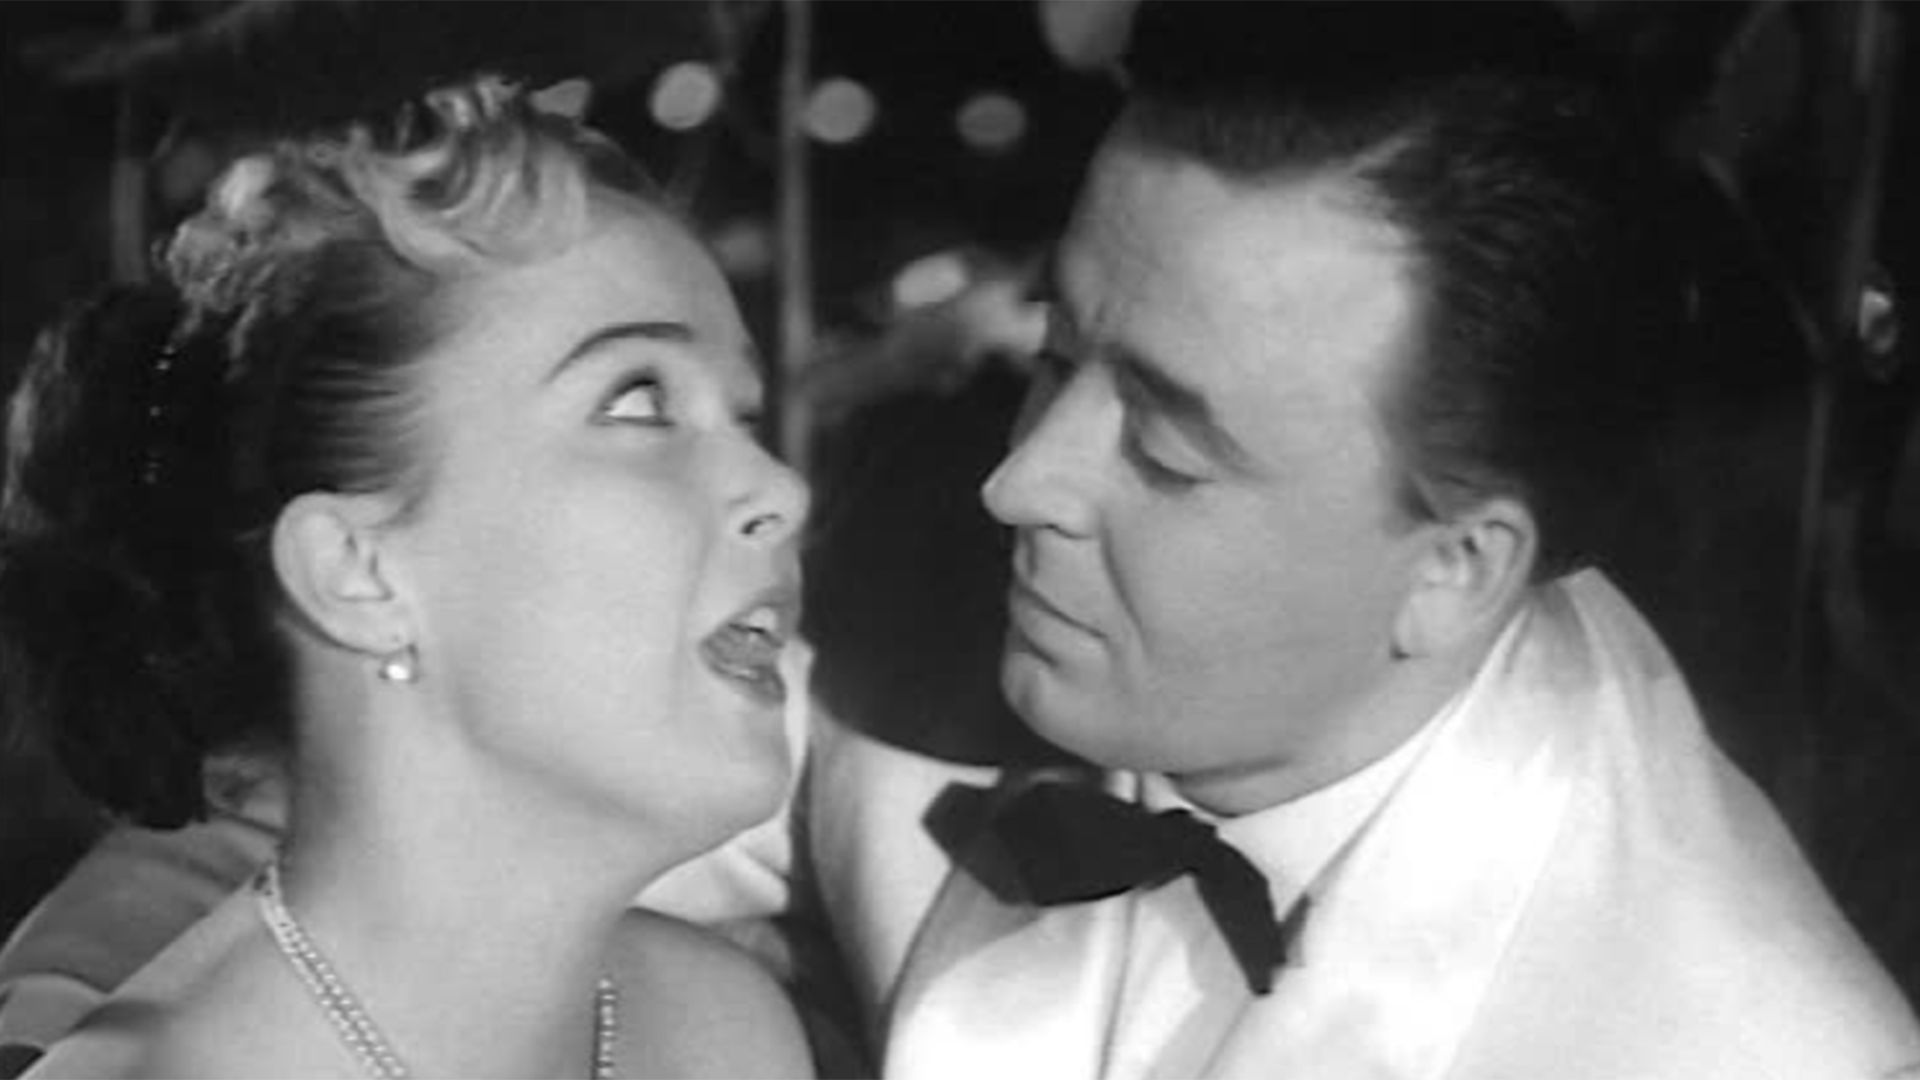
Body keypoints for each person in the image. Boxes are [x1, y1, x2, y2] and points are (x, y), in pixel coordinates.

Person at [800, 3, 1920, 1077]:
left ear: (1456, 569)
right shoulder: (909, 579)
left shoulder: (1735, 1047)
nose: (1017, 484)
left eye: (1165, 453)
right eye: (1054, 357)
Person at [0, 76, 814, 1078]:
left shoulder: (722, 1032)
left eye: (745, 416)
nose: (781, 489)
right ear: (358, 572)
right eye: (639, 401)